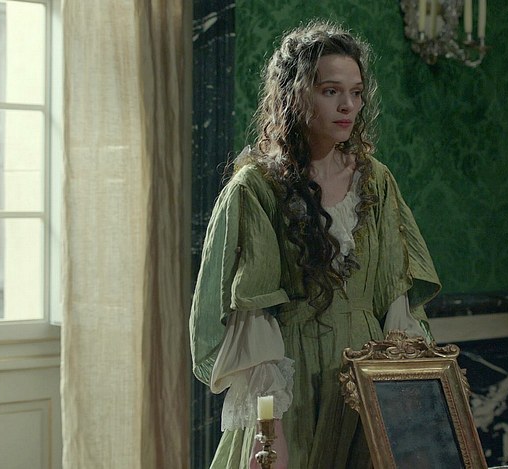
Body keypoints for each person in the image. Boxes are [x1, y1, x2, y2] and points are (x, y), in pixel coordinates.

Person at [189, 19, 441, 469]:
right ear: (296, 95)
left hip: (365, 386)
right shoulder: (257, 188)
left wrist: (403, 405)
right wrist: (271, 433)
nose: (348, 106)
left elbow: (396, 301)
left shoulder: (376, 181)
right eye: (330, 91)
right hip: (294, 386)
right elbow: (254, 314)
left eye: (356, 93)